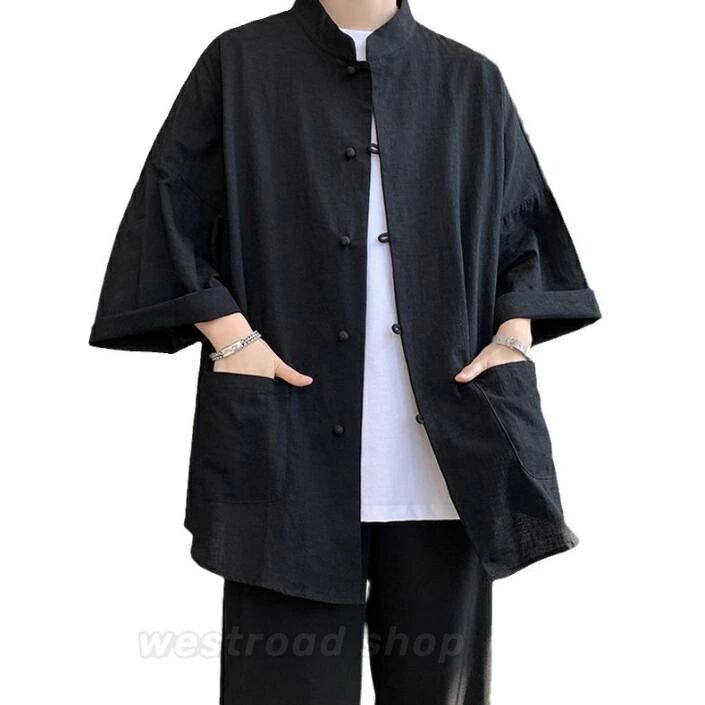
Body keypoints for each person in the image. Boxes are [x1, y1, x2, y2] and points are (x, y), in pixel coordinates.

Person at [89, 0, 601, 702]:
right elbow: (169, 207)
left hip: (446, 457)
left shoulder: (469, 79)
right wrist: (233, 338)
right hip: (286, 446)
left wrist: (513, 338)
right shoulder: (241, 63)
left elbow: (526, 233)